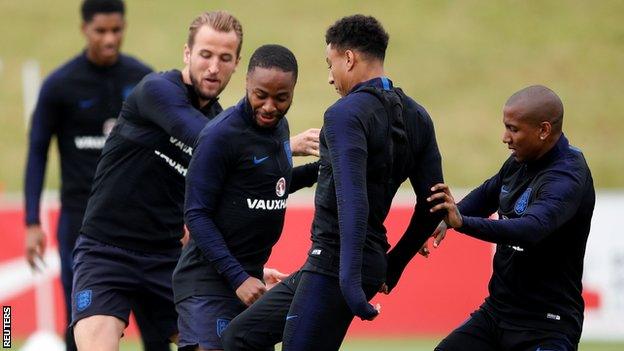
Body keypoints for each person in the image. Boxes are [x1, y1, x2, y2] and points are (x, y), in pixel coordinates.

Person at [69, 11, 319, 351]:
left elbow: (251, 183)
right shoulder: (157, 91)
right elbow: (208, 142)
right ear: (187, 54)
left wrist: (248, 269)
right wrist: (284, 147)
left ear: (237, 65)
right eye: (205, 54)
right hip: (106, 253)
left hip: (168, 262)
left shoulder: (225, 127)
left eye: (224, 58)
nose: (214, 67)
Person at [222, 14, 444, 351]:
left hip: (337, 264)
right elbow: (433, 207)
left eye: (331, 64)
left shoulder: (344, 114)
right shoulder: (418, 116)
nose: (330, 78)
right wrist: (392, 266)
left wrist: (350, 282)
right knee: (239, 337)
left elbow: (352, 201)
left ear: (349, 58)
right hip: (345, 263)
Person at [22, 1, 171, 350]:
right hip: (81, 224)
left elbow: (169, 151)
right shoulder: (59, 86)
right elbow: (36, 152)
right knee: (81, 325)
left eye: (116, 30)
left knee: (159, 329)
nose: (109, 39)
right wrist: (31, 221)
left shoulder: (143, 80)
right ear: (84, 29)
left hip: (142, 224)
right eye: (100, 31)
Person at [173, 44, 319, 351]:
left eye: (281, 98)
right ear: (247, 85)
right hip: (208, 284)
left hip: (250, 283)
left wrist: (326, 168)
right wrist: (238, 278)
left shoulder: (280, 128)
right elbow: (196, 214)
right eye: (260, 95)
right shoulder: (220, 136)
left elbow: (273, 184)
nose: (269, 106)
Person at [428, 85, 595, 351]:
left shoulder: (567, 175)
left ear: (543, 130)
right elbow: (486, 195)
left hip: (546, 325)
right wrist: (444, 220)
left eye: (514, 129)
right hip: (497, 314)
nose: (505, 137)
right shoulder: (519, 160)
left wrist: (462, 223)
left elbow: (530, 230)